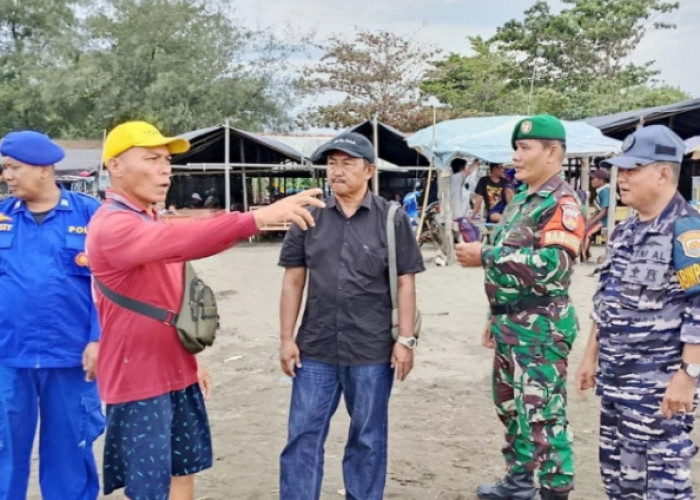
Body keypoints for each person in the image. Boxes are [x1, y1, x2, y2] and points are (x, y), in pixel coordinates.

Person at [86, 120, 324, 500]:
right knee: (149, 488)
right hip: (139, 378)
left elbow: (169, 300)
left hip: (174, 368)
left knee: (184, 470)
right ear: (115, 166)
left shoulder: (147, 217)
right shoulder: (113, 225)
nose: (165, 169)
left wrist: (190, 360)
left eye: (167, 160)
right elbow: (185, 239)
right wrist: (254, 219)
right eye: (151, 159)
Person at [278, 131, 425, 500]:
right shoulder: (308, 217)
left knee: (368, 438)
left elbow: (406, 283)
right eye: (332, 163)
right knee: (302, 436)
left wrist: (405, 341)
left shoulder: (391, 219)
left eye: (347, 163)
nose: (337, 171)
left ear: (370, 170)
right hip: (315, 349)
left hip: (372, 349)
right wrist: (286, 338)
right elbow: (294, 281)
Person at [455, 115, 585, 500]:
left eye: (525, 148)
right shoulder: (522, 201)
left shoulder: (562, 202)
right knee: (512, 408)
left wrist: (486, 254)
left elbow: (554, 265)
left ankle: (554, 491)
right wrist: (492, 314)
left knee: (543, 417)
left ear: (554, 152)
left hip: (542, 328)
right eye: (515, 148)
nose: (515, 157)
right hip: (511, 324)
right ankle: (518, 482)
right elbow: (513, 265)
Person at [575, 125, 700, 499]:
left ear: (664, 173)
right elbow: (607, 301)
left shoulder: (686, 231)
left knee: (662, 486)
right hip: (617, 383)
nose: (622, 178)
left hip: (659, 388)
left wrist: (688, 376)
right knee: (620, 482)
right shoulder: (624, 232)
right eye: (621, 170)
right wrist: (589, 358)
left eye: (632, 169)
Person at [0, 131, 104, 499]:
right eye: (4, 168)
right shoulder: (1, 217)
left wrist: (97, 338)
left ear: (44, 168)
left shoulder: (90, 215)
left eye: (13, 167)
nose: (6, 176)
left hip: (72, 357)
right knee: (5, 451)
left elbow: (107, 284)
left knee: (70, 450)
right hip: (10, 358)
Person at [580, 168, 611, 262]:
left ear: (601, 180)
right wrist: (589, 220)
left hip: (605, 220)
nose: (592, 181)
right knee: (584, 228)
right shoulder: (601, 191)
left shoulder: (606, 191)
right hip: (601, 219)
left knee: (588, 233)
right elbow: (598, 211)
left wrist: (591, 222)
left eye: (594, 179)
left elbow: (604, 211)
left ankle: (584, 256)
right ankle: (586, 252)